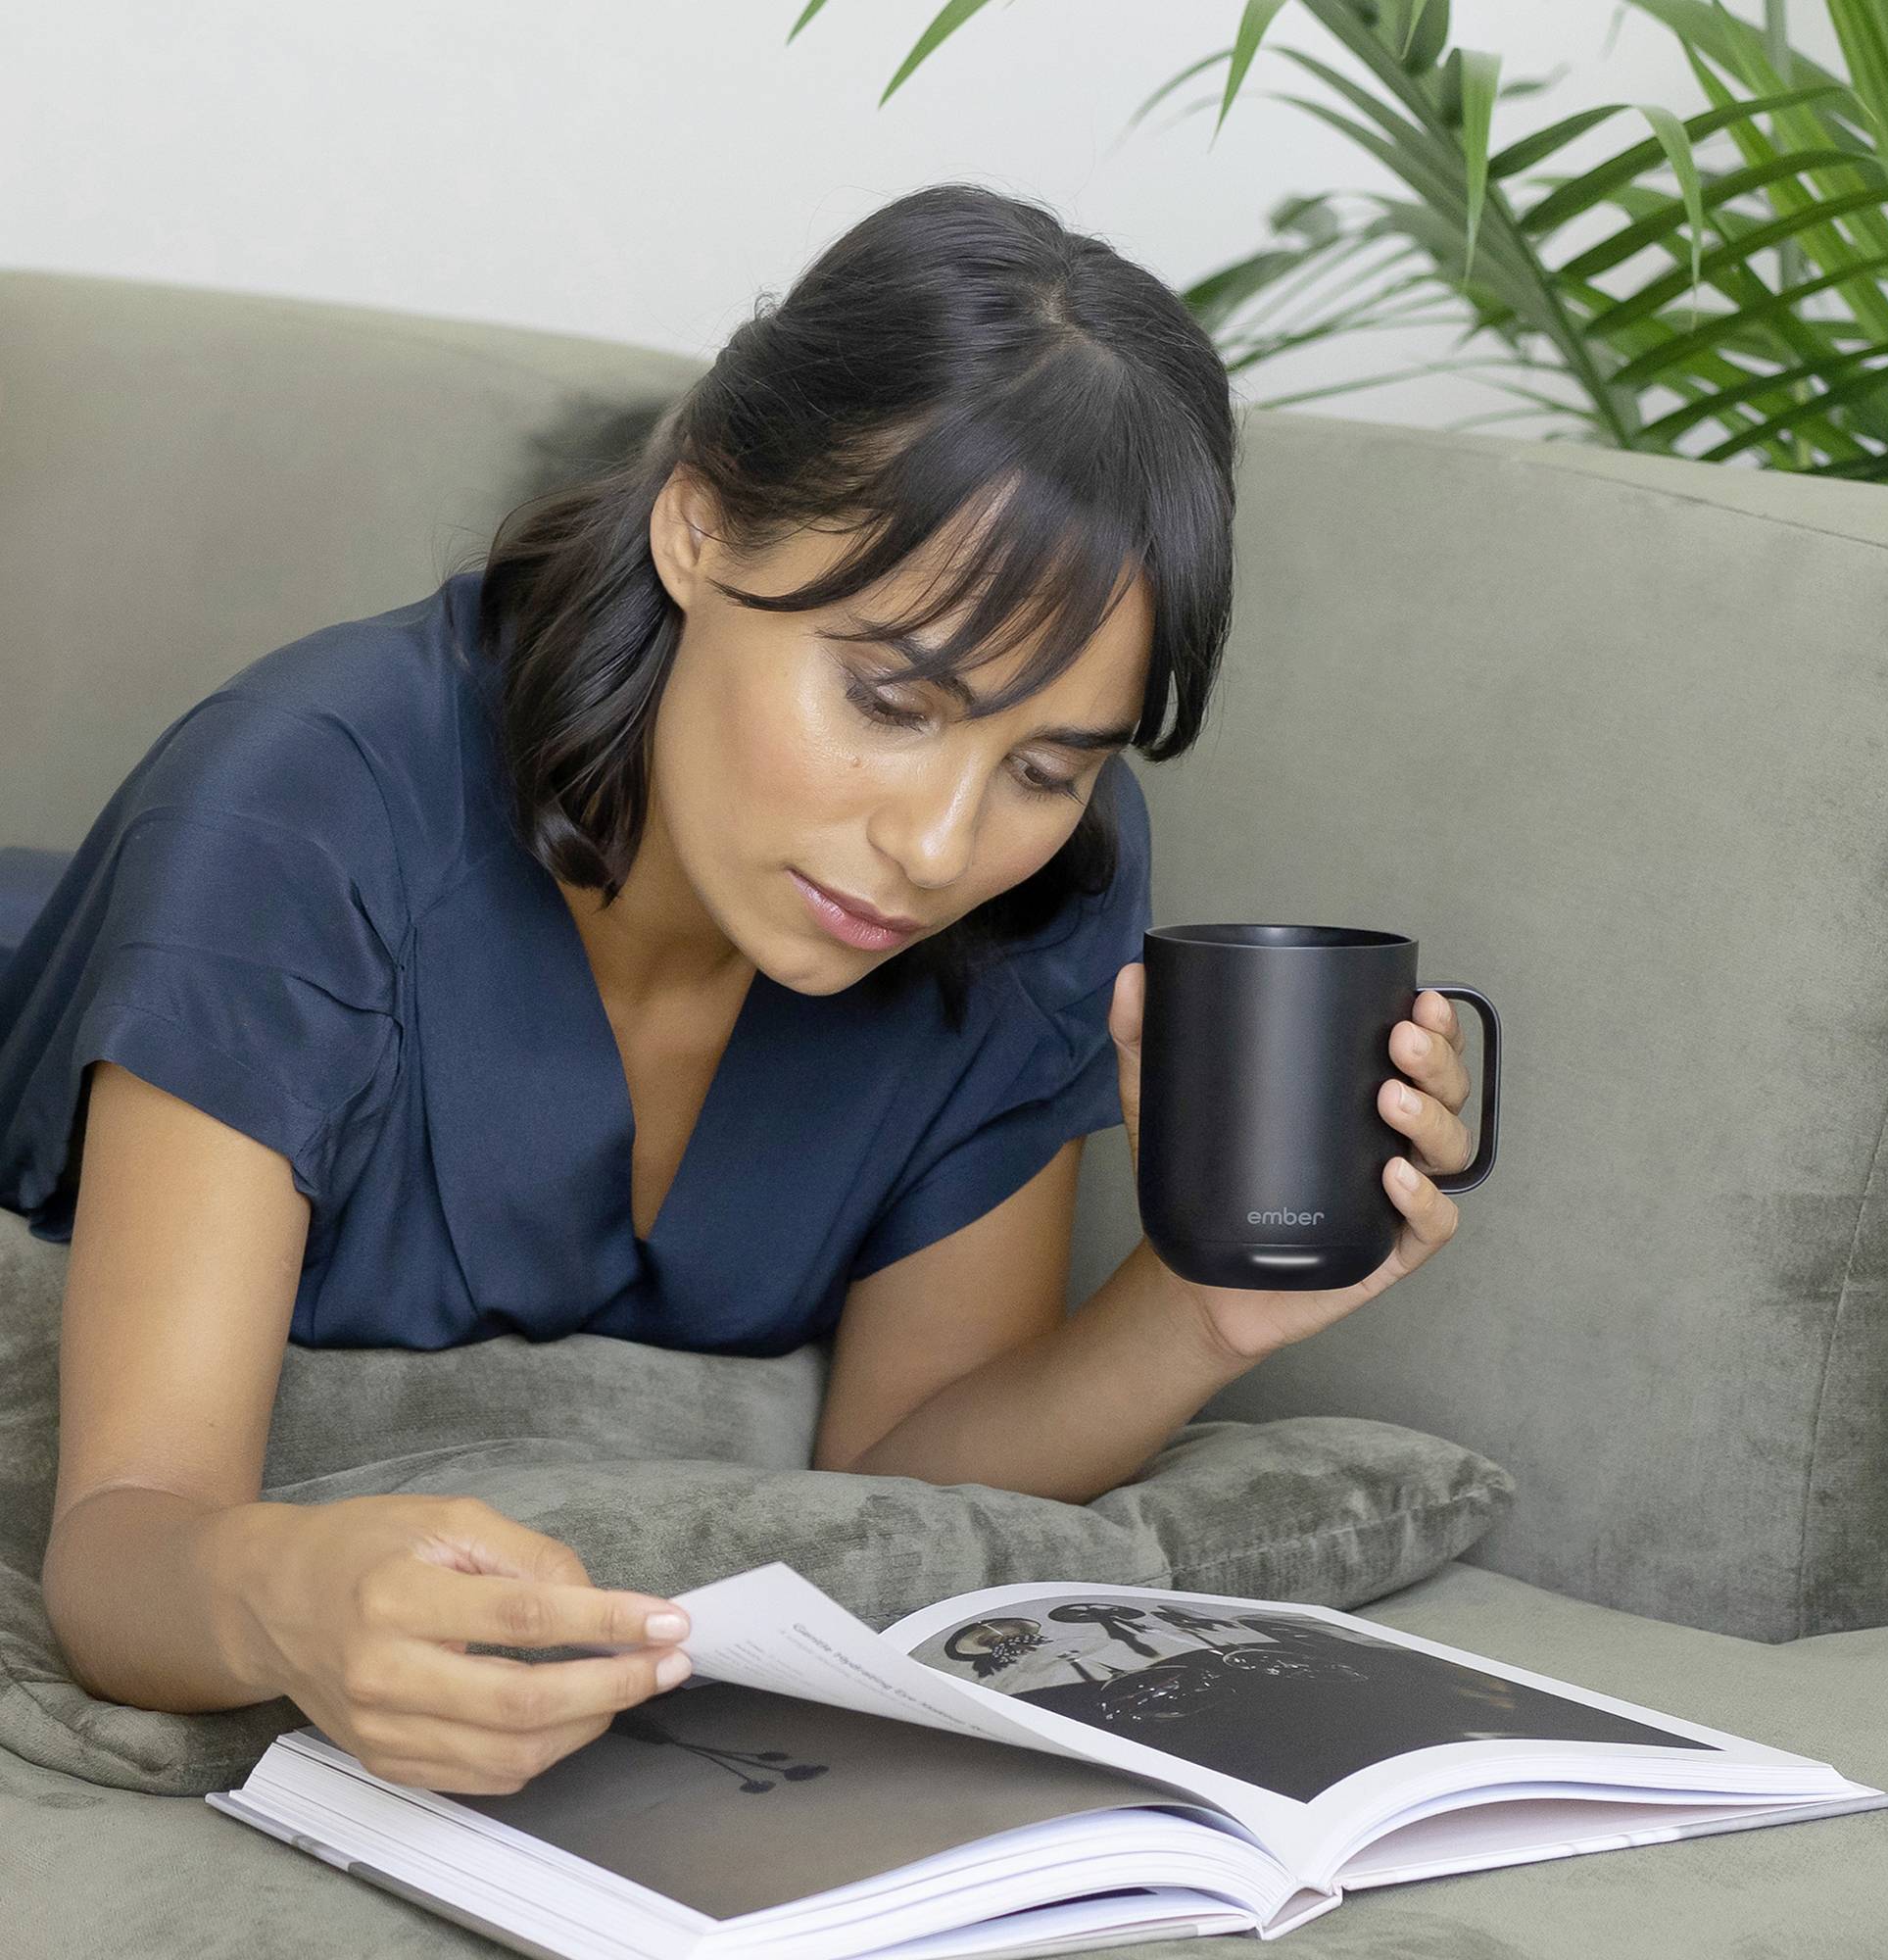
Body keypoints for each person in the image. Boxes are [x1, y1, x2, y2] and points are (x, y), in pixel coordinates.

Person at [0, 183, 1474, 1798]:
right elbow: (123, 1544)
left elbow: (898, 1465)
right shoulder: (295, 817)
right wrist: (291, 1603)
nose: (934, 845)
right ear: (698, 523)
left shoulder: (1047, 875)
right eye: (888, 697)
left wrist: (1200, 1305)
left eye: (1047, 762)